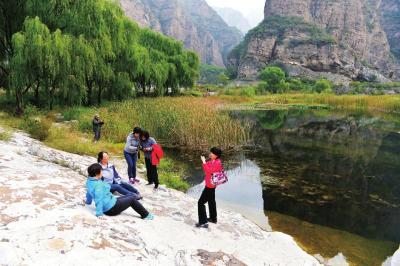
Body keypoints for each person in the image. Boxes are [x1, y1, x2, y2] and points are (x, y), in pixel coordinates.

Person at [85, 163, 154, 220]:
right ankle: (146, 215)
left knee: (130, 196)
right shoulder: (98, 185)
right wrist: (99, 214)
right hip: (111, 209)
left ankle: (139, 202)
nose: (102, 172)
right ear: (97, 173)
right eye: (101, 171)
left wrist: (88, 201)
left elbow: (89, 193)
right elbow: (98, 199)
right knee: (132, 199)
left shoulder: (89, 181)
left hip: (111, 202)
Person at [196, 147, 223, 228]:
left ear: (216, 155)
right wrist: (204, 162)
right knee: (211, 201)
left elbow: (208, 171)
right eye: (210, 152)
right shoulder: (213, 161)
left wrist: (204, 162)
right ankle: (213, 218)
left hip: (210, 185)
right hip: (211, 184)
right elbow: (206, 167)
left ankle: (203, 222)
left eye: (212, 153)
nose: (210, 154)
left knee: (200, 203)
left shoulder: (217, 163)